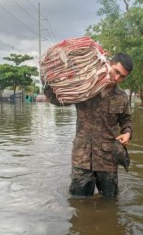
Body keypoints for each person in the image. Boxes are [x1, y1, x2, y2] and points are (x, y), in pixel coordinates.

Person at [45, 53, 133, 197]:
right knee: (78, 202)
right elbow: (57, 100)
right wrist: (51, 79)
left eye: (122, 76)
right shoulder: (85, 89)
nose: (117, 78)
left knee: (110, 203)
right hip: (82, 157)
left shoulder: (122, 96)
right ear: (108, 64)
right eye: (116, 71)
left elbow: (126, 120)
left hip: (108, 159)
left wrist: (127, 133)